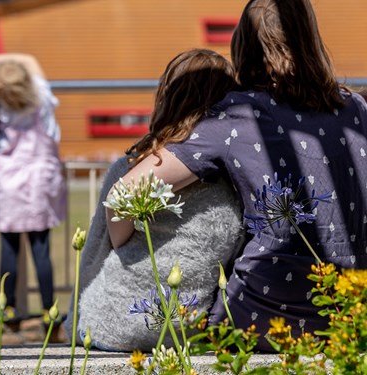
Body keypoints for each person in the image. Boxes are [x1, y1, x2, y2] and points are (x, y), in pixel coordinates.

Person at [107, 0, 367, 352]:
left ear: (243, 44)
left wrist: (120, 246)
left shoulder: (240, 114)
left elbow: (125, 194)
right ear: (311, 40)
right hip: (349, 316)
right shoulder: (356, 110)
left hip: (257, 318)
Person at [64, 49, 244, 351]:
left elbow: (97, 251)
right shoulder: (233, 179)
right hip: (186, 328)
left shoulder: (134, 169)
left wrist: (73, 323)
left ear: (166, 97)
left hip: (110, 324)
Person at [0, 53, 66, 328]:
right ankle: (48, 309)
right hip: (40, 181)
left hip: (9, 181)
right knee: (41, 248)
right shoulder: (41, 100)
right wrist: (12, 58)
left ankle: (7, 306)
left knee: (9, 248)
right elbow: (34, 65)